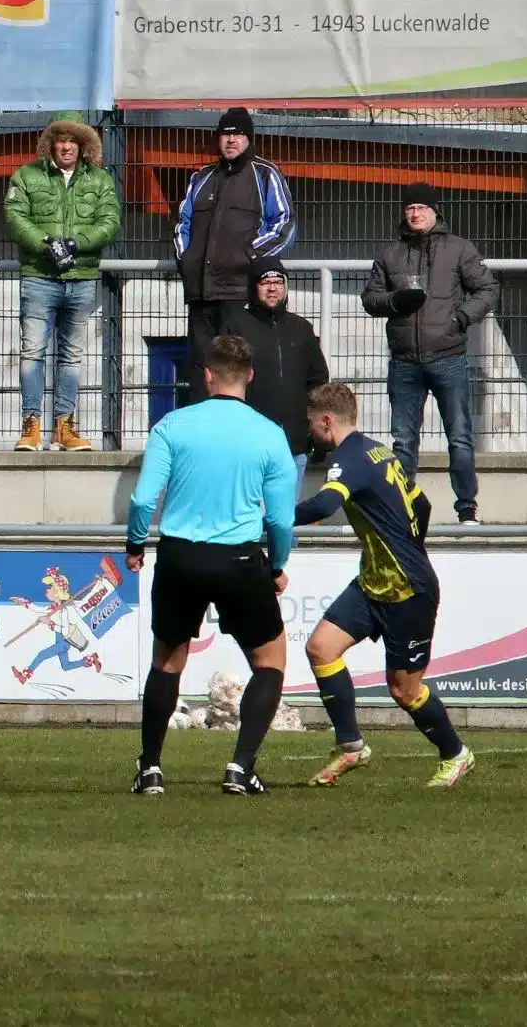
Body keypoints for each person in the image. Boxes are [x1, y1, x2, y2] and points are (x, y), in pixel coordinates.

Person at [125, 334, 296, 796]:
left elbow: (143, 499)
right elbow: (281, 518)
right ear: (251, 377)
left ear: (206, 375)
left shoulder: (172, 426)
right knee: (270, 660)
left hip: (180, 555)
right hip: (239, 557)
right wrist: (278, 563)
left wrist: (135, 544)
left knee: (167, 660)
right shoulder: (269, 433)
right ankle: (241, 766)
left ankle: (151, 768)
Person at [295, 382, 476, 788]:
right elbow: (422, 503)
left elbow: (324, 506)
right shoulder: (377, 450)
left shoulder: (349, 457)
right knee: (321, 648)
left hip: (409, 589)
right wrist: (409, 542)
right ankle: (351, 746)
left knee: (404, 690)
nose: (310, 433)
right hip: (376, 580)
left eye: (312, 425)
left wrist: (272, 517)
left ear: (327, 421)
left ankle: (456, 753)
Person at [361, 182, 498, 525]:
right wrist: (395, 301)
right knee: (404, 440)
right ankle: (403, 508)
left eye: (422, 207)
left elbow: (487, 288)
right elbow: (370, 298)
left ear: (436, 211)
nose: (415, 213)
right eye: (409, 208)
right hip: (405, 361)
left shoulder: (459, 249)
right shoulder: (390, 254)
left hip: (449, 356)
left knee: (460, 437)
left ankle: (466, 508)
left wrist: (461, 318)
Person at [4, 114, 120, 451]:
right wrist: (46, 243)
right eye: (61, 139)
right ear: (51, 144)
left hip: (81, 279)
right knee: (32, 353)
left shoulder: (100, 180)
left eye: (73, 139)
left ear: (84, 145)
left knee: (71, 356)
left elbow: (110, 221)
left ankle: (64, 427)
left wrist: (75, 243)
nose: (67, 145)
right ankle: (31, 425)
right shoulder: (27, 176)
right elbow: (15, 217)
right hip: (39, 278)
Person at [173, 107, 296, 405]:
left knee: (240, 367)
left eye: (238, 134)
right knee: (203, 371)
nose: (231, 140)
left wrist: (250, 257)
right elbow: (182, 223)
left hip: (240, 293)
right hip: (201, 294)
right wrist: (187, 259)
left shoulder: (265, 173)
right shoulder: (201, 177)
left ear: (249, 139)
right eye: (226, 134)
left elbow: (284, 223)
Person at [220, 256, 329, 500]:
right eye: (265, 282)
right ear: (253, 287)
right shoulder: (236, 326)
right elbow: (223, 382)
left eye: (278, 282)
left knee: (285, 523)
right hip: (247, 445)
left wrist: (315, 431)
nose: (272, 288)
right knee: (247, 519)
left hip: (293, 444)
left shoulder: (301, 328)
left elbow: (318, 380)